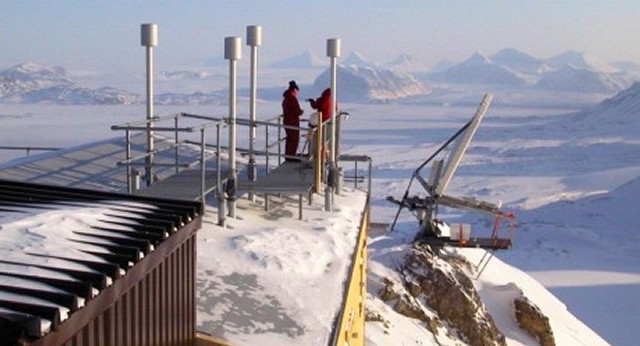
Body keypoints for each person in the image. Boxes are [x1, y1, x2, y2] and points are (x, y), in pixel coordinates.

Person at [281, 80, 304, 161]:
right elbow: (296, 110)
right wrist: (301, 112)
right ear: (294, 90)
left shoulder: (286, 98)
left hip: (287, 121)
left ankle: (288, 155)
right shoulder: (292, 99)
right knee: (294, 139)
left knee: (289, 139)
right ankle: (291, 156)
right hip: (292, 122)